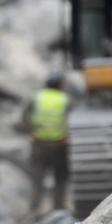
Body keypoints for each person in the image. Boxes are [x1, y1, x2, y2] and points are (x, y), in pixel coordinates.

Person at [22, 72, 70, 213]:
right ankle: (58, 209)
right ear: (60, 85)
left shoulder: (36, 97)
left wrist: (31, 131)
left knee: (37, 179)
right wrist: (67, 137)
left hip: (39, 144)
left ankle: (34, 209)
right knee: (60, 179)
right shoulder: (65, 99)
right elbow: (72, 120)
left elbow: (24, 117)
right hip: (59, 145)